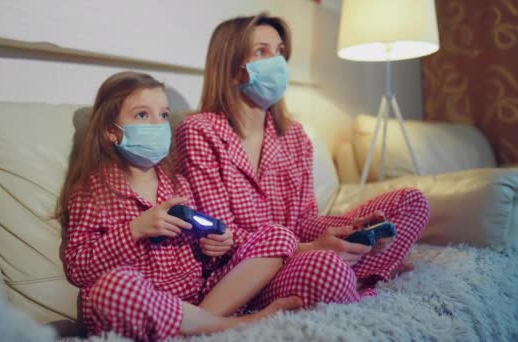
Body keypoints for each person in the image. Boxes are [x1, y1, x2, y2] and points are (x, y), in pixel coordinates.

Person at [175, 14, 431, 311]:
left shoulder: (295, 135)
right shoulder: (199, 131)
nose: (278, 61)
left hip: (300, 252)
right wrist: (308, 248)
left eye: (280, 51)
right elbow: (221, 234)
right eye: (262, 51)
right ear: (233, 69)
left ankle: (356, 275)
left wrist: (348, 231)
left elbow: (304, 219)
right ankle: (353, 276)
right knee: (325, 266)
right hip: (243, 269)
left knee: (412, 202)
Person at [56, 71, 301, 341]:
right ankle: (231, 325)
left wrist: (216, 247)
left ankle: (200, 326)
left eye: (163, 115)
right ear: (111, 131)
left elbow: (202, 257)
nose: (158, 124)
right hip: (145, 303)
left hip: (198, 299)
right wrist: (135, 230)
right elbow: (79, 268)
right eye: (141, 115)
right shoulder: (92, 192)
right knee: (114, 287)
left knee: (278, 234)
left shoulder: (179, 185)